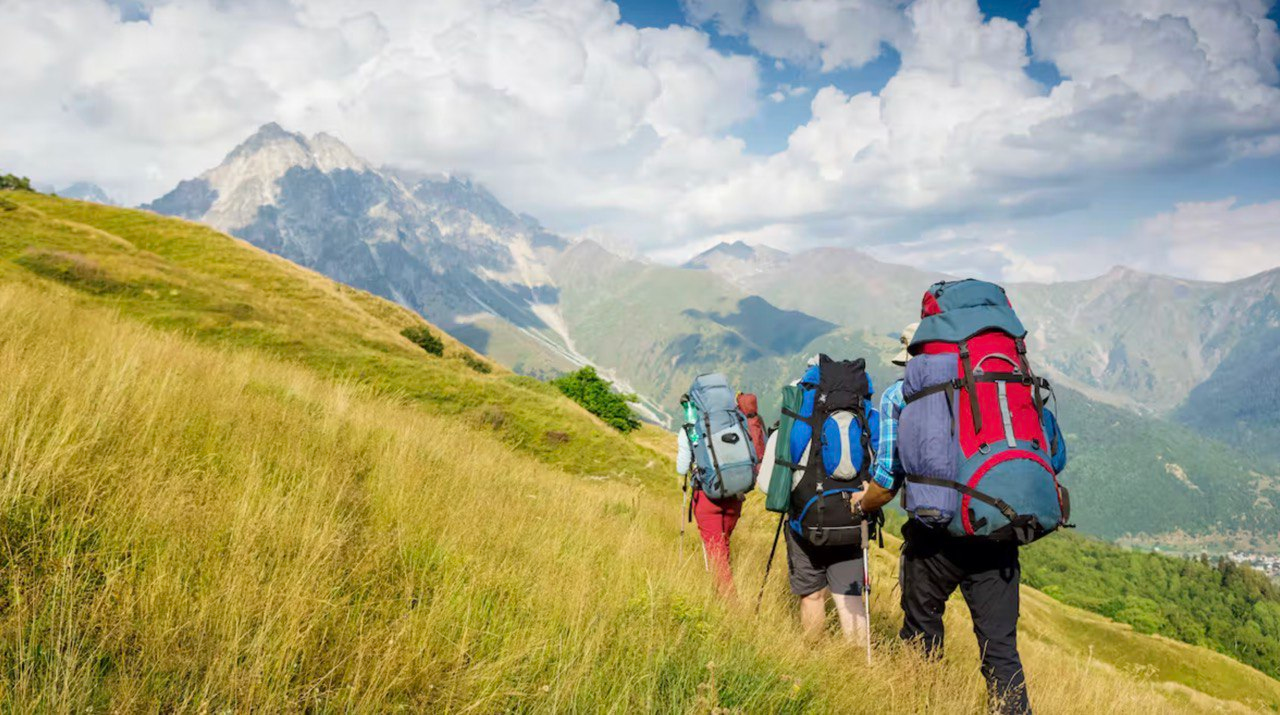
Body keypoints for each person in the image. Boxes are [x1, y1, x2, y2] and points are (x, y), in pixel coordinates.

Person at [856, 322, 1033, 715]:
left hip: (932, 536)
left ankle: (923, 705)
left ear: (913, 355)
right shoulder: (998, 382)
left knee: (921, 633)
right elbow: (1052, 457)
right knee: (1000, 649)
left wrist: (864, 504)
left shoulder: (897, 396)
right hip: (995, 533)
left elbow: (886, 479)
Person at [781, 356, 872, 642]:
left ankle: (813, 658)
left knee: (812, 596)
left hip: (806, 524)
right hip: (853, 518)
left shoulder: (804, 410)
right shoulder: (865, 409)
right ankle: (859, 670)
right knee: (850, 598)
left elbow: (784, 465)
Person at [677, 426, 742, 597]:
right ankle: (720, 594)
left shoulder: (690, 427)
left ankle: (732, 608)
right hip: (734, 494)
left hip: (706, 496)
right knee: (723, 545)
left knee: (715, 553)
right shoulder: (734, 420)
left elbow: (682, 468)